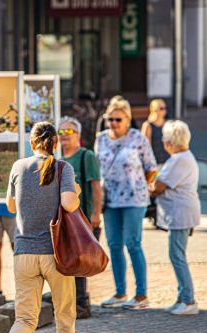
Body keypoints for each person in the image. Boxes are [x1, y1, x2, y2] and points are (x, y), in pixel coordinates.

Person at [6, 122, 80, 333]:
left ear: (32, 143)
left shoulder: (18, 166)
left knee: (25, 320)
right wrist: (76, 190)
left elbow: (11, 206)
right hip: (56, 254)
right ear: (55, 143)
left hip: (24, 253)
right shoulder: (63, 167)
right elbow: (69, 204)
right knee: (64, 319)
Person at [95, 98, 157, 309]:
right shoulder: (101, 139)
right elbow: (97, 169)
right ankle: (120, 292)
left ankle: (141, 295)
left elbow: (151, 167)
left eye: (117, 119)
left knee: (133, 243)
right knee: (113, 245)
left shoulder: (138, 138)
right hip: (109, 200)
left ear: (128, 119)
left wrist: (140, 186)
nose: (113, 123)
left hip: (134, 200)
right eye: (109, 119)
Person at [149, 120, 200, 316]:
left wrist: (150, 186)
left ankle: (188, 300)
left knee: (177, 256)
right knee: (178, 255)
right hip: (182, 212)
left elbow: (159, 186)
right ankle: (182, 297)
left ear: (170, 142)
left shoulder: (179, 159)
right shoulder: (184, 157)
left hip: (181, 213)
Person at [58, 116, 103, 319]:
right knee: (64, 261)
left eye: (68, 132)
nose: (64, 136)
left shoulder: (86, 156)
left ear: (77, 135)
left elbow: (95, 186)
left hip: (82, 218)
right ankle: (67, 302)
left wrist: (96, 213)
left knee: (80, 262)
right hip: (61, 220)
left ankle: (82, 304)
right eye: (61, 132)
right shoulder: (56, 157)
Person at [141, 99, 168, 165]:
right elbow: (145, 146)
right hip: (154, 162)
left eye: (165, 108)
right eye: (161, 108)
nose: (164, 110)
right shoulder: (148, 125)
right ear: (154, 110)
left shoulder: (167, 124)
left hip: (167, 161)